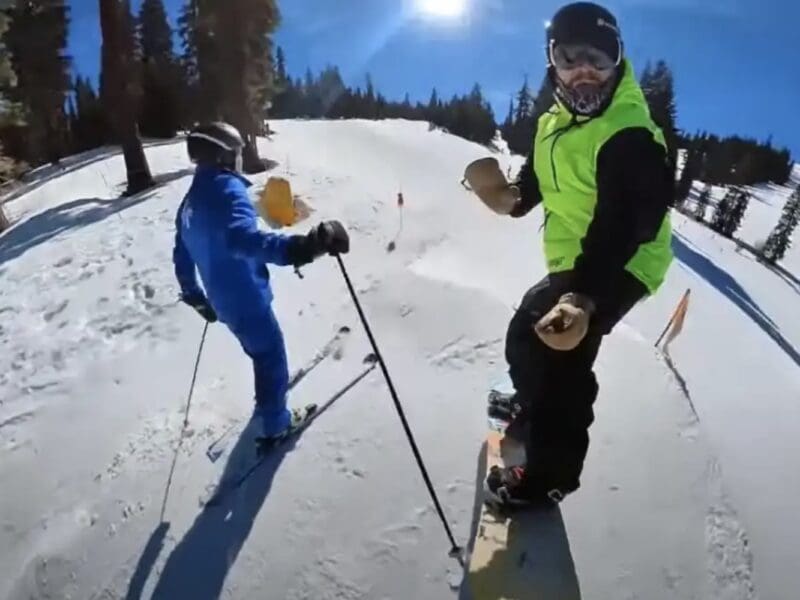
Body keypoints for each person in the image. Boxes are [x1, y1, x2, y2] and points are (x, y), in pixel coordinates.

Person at [463, 2, 674, 509]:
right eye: (570, 56)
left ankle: (548, 479)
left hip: (625, 259)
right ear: (551, 61)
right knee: (525, 332)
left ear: (618, 64)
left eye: (599, 60)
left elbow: (628, 225)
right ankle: (531, 406)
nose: (585, 72)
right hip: (577, 259)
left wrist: (583, 298)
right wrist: (507, 196)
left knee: (563, 358)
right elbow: (534, 186)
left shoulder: (631, 135)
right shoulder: (551, 125)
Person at [172, 121, 350, 441]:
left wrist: (195, 296)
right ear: (223, 155)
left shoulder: (189, 202)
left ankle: (267, 399)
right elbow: (243, 240)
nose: (241, 157)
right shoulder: (228, 190)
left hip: (223, 303)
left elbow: (181, 256)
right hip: (246, 298)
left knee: (259, 353)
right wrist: (303, 248)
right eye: (237, 151)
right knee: (271, 352)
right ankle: (276, 425)